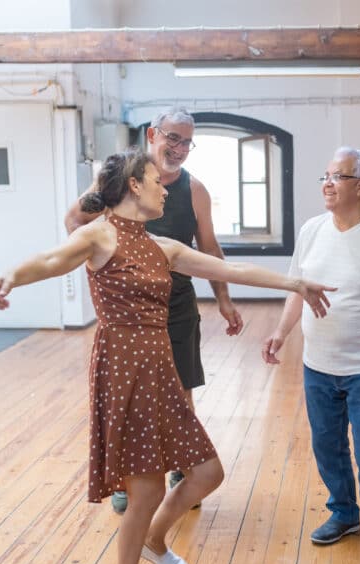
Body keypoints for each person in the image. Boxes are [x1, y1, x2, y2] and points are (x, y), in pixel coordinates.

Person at [0, 149, 333, 564]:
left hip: (159, 368)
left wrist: (295, 284)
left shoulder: (161, 246)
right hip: (123, 367)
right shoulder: (98, 234)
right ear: (133, 184)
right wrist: (12, 275)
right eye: (156, 180)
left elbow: (227, 268)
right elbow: (52, 258)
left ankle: (153, 539)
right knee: (145, 489)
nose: (164, 187)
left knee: (207, 472)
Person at [65, 107, 241, 514]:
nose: (178, 148)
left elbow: (210, 249)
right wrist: (103, 268)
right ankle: (132, 479)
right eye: (172, 138)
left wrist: (225, 299)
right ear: (152, 134)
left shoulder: (194, 190)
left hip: (175, 305)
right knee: (130, 399)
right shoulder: (117, 182)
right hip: (130, 308)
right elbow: (74, 220)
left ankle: (183, 470)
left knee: (180, 390)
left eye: (186, 141)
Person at [261, 147, 360, 564]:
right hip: (318, 366)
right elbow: (300, 289)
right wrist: (281, 333)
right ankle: (345, 514)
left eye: (338, 177)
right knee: (326, 445)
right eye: (325, 175)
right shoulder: (313, 230)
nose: (327, 184)